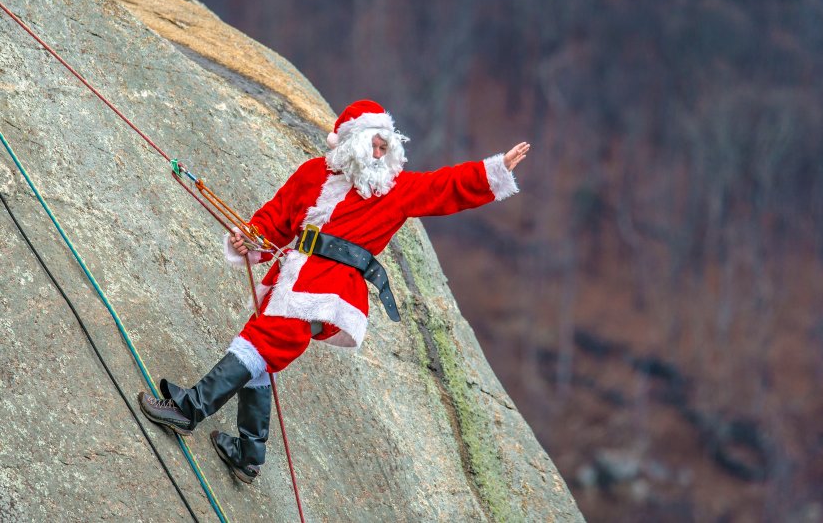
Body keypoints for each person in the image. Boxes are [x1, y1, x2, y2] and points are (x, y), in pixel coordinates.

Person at [139, 99, 530, 484]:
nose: (381, 153)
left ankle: (189, 410)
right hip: (292, 276)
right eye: (375, 144)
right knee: (262, 352)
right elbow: (276, 219)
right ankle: (249, 453)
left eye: (385, 146)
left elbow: (445, 186)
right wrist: (249, 241)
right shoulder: (312, 173)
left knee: (259, 343)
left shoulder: (397, 189)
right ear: (352, 141)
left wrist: (492, 171)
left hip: (329, 292)